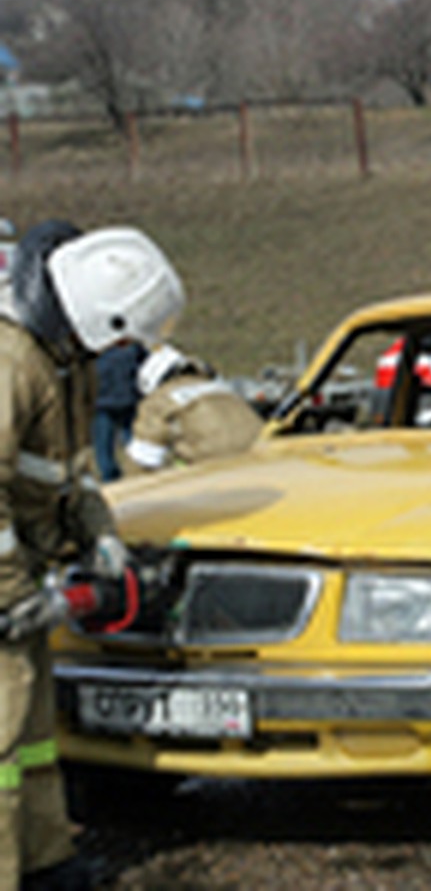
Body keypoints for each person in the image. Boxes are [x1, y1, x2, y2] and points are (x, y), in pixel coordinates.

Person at [0, 221, 184, 889]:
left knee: (33, 734)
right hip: (4, 585)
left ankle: (46, 859)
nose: (126, 350)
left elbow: (68, 472)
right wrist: (13, 595)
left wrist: (101, 534)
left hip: (25, 573)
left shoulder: (60, 360)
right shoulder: (10, 363)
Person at [124, 345, 263, 473]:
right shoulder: (221, 388)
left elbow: (142, 460)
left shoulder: (159, 401)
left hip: (214, 476)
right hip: (261, 465)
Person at [91, 343, 145, 481]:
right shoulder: (133, 347)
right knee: (135, 446)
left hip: (102, 403)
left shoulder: (93, 347)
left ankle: (111, 483)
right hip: (129, 400)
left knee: (104, 450)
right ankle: (139, 477)